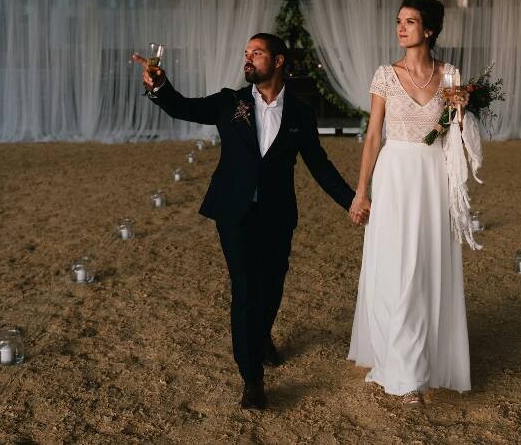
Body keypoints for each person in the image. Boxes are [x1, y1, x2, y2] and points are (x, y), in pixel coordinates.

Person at [134, 33, 367, 410]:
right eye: (246, 53)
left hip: (277, 214)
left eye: (256, 53)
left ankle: (261, 336)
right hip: (233, 211)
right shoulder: (231, 102)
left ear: (277, 61)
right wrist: (159, 85)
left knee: (273, 284)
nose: (248, 59)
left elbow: (320, 167)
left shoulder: (301, 114)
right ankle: (252, 378)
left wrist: (352, 202)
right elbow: (182, 107)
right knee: (245, 289)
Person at [347, 0, 471, 406]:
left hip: (434, 178)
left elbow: (454, 136)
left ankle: (423, 364)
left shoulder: (450, 75)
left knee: (425, 268)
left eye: (411, 22)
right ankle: (402, 371)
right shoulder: (385, 75)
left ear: (429, 30)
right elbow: (372, 138)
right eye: (399, 21)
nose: (401, 28)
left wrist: (462, 114)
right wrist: (361, 192)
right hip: (395, 177)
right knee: (397, 270)